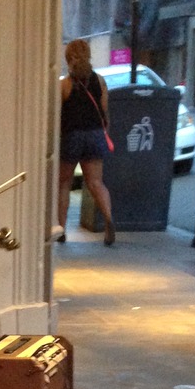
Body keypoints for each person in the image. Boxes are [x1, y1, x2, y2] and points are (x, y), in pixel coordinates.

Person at [57, 38, 115, 246]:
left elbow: (57, 116)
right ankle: (109, 220)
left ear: (68, 59)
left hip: (71, 136)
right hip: (95, 135)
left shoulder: (65, 85)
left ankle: (61, 229)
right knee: (96, 182)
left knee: (64, 183)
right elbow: (104, 112)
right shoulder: (100, 81)